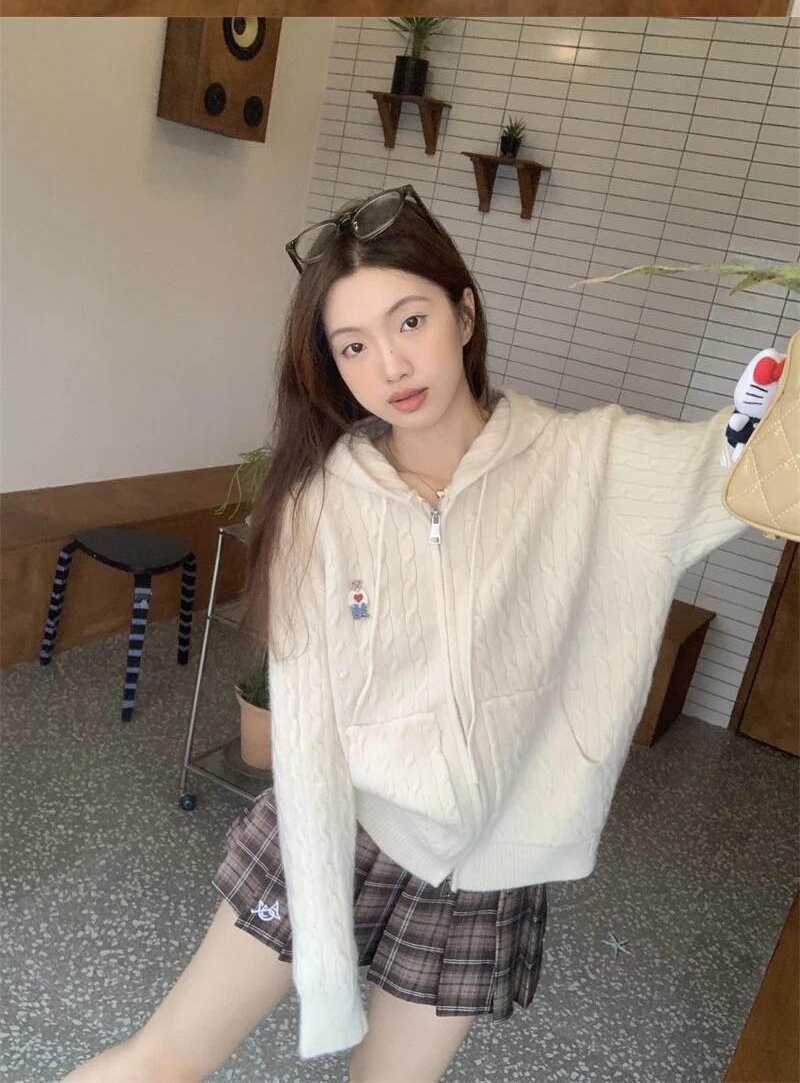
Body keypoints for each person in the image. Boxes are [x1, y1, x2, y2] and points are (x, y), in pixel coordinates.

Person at [60, 182, 769, 1083]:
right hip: (340, 825)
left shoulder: (590, 461)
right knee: (166, 1058)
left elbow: (733, 470)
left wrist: (759, 423)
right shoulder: (323, 505)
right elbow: (306, 726)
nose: (391, 364)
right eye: (354, 345)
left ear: (463, 314)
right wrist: (322, 947)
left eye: (410, 321)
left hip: (490, 865)